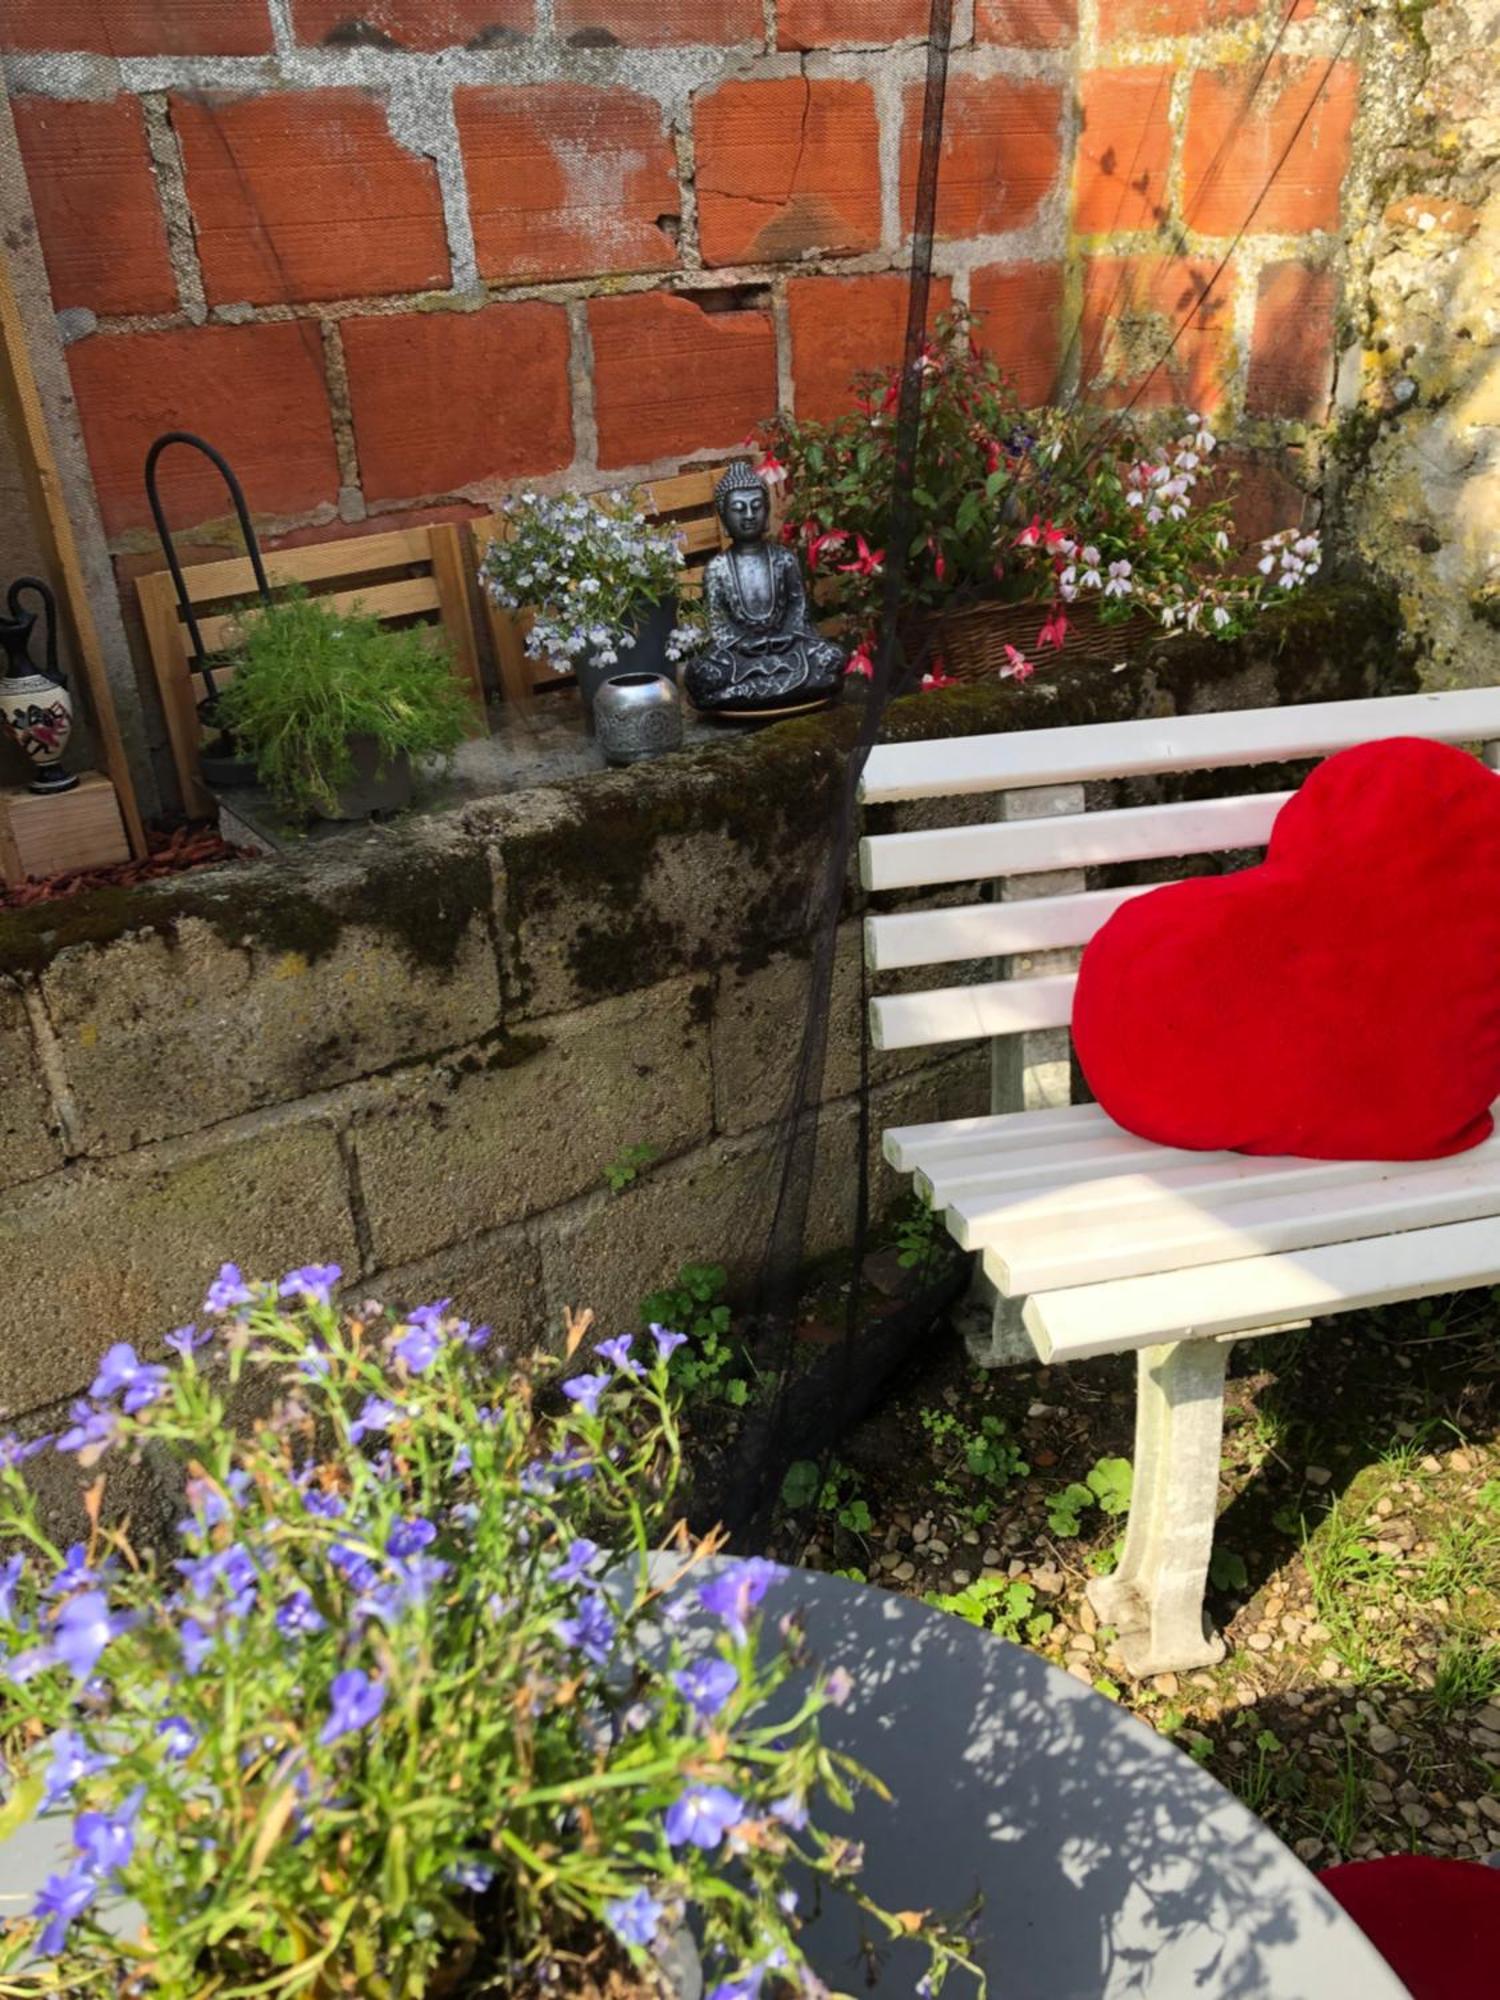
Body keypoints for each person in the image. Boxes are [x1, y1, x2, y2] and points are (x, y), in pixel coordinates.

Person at [684, 462, 845, 714]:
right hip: (740, 657)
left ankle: (738, 695)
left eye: (756, 506)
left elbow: (798, 611)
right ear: (724, 517)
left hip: (787, 648)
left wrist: (783, 637)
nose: (749, 515)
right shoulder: (718, 568)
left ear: (767, 512)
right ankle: (782, 689)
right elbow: (719, 625)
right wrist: (746, 644)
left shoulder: (784, 559)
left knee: (830, 657)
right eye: (739, 508)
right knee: (701, 674)